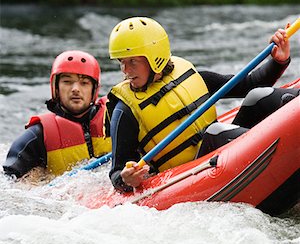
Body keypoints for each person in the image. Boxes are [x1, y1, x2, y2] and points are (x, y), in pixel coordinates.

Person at [107, 16, 298, 193]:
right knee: (215, 132)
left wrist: (278, 60)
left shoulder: (189, 75)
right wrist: (126, 178)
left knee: (258, 96)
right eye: (121, 62)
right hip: (192, 174)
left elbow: (251, 84)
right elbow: (116, 173)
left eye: (133, 61)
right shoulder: (125, 111)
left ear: (154, 56)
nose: (125, 70)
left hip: (226, 149)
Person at [3, 50, 111, 178]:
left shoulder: (115, 117)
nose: (75, 89)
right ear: (56, 88)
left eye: (84, 83)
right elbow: (10, 182)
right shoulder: (37, 135)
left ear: (94, 89)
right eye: (67, 82)